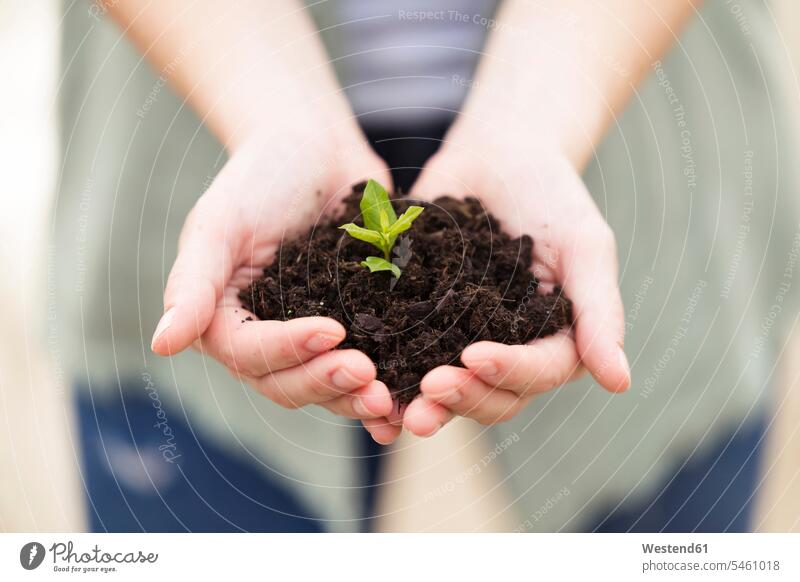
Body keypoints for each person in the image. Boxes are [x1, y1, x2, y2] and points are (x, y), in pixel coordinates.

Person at [55, 0, 799, 531]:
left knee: (651, 473)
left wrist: (533, 115)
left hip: (647, 135)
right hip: (189, 108)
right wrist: (275, 113)